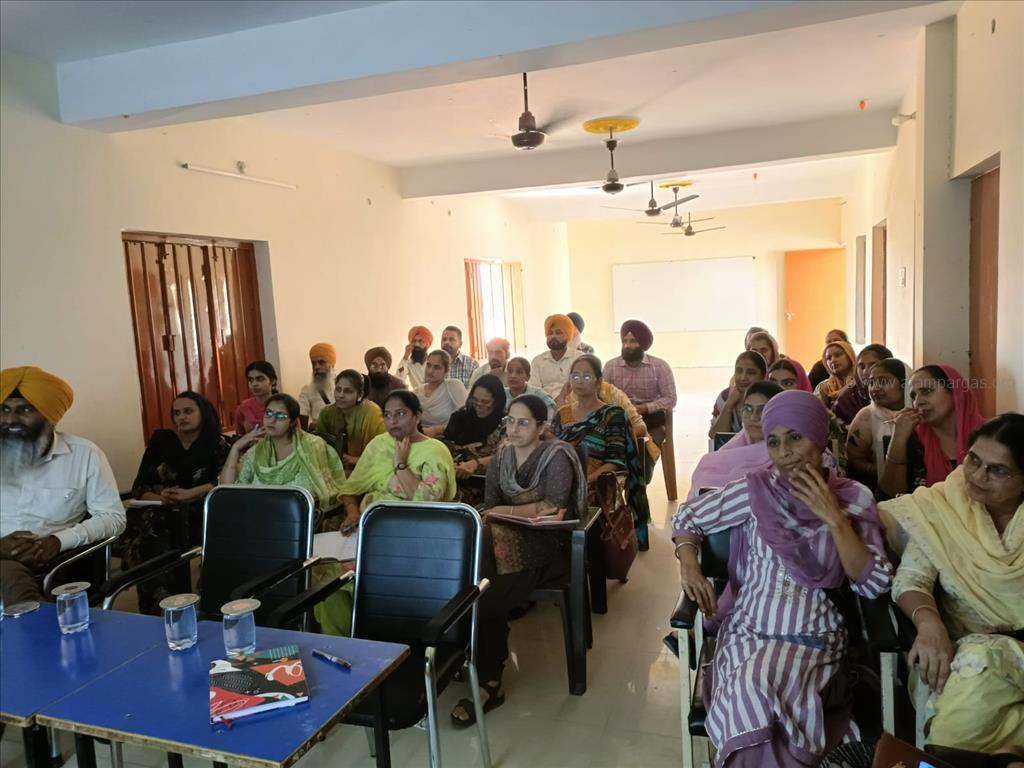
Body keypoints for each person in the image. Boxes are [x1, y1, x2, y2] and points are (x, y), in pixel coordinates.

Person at [672, 390, 892, 766]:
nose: (784, 452)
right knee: (751, 687)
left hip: (815, 642)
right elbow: (688, 516)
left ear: (818, 438)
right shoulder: (756, 490)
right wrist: (689, 565)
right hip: (748, 634)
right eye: (773, 442)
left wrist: (834, 519)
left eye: (795, 437)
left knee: (756, 691)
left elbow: (874, 583)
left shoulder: (854, 498)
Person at [884, 414, 1023, 753]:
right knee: (975, 668)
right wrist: (929, 624)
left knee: (978, 673)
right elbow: (912, 577)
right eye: (973, 460)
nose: (977, 475)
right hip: (954, 651)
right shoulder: (944, 507)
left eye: (998, 470)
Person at [449, 394, 587, 728]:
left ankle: (489, 680)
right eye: (510, 421)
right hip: (502, 540)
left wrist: (506, 511)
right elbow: (491, 503)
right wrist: (510, 512)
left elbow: (553, 507)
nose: (514, 429)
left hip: (547, 545)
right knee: (471, 564)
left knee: (484, 587)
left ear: (542, 426)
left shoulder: (556, 455)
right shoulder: (501, 456)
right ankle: (464, 653)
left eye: (523, 422)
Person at [0, 367, 125, 605]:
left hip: (54, 563)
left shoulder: (84, 455)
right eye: (4, 409)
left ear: (49, 415)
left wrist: (58, 541)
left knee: (11, 582)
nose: (10, 420)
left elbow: (113, 517)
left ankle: (35, 624)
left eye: (25, 410)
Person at [122, 391, 229, 613]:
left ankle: (163, 604)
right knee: (155, 528)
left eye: (188, 411)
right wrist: (161, 498)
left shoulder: (218, 444)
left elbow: (223, 484)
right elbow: (140, 486)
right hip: (157, 509)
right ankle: (166, 603)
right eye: (177, 413)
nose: (182, 417)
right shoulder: (162, 441)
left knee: (153, 533)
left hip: (198, 513)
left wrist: (191, 493)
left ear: (203, 412)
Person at [554, 355, 650, 549]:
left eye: (587, 377)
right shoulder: (562, 413)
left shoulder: (612, 414)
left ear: (598, 382)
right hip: (562, 479)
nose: (580, 381)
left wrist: (583, 481)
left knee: (564, 502)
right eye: (575, 376)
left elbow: (615, 462)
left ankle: (574, 552)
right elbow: (552, 452)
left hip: (596, 483)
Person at [338, 390, 457, 526]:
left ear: (417, 416)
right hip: (369, 523)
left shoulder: (434, 451)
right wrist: (353, 514)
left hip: (412, 527)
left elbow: (429, 503)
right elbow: (350, 490)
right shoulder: (379, 444)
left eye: (400, 414)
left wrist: (401, 465)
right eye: (387, 415)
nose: (393, 421)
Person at [220, 393, 346, 509]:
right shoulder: (257, 451)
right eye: (268, 413)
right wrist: (236, 447)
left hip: (299, 516)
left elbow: (317, 491)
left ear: (292, 422)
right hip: (258, 514)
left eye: (280, 416)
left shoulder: (311, 446)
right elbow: (227, 490)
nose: (272, 420)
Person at [878, 365, 985, 500]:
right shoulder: (910, 438)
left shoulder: (989, 436)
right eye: (913, 396)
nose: (918, 402)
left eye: (926, 391)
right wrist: (898, 438)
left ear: (954, 392)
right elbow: (889, 496)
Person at [687, 381, 783, 499]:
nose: (753, 417)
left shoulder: (785, 457)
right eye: (748, 409)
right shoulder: (716, 459)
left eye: (762, 410)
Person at [845, 359, 909, 490]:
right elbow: (854, 459)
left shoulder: (919, 413)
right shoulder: (866, 416)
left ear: (905, 383)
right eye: (871, 383)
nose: (875, 388)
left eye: (884, 381)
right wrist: (881, 471)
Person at [315, 369, 386, 472]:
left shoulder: (373, 413)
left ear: (360, 395)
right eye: (338, 389)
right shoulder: (326, 413)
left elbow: (386, 449)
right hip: (333, 469)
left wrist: (357, 460)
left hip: (367, 470)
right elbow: (318, 445)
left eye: (348, 391)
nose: (341, 395)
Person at [443, 374, 507, 481]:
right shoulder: (460, 416)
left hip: (486, 482)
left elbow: (507, 457)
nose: (478, 405)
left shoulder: (506, 424)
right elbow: (445, 446)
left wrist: (475, 464)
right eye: (475, 400)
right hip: (452, 476)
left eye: (485, 402)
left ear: (497, 402)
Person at [709, 351, 767, 438]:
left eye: (751, 373)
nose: (743, 378)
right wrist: (728, 406)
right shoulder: (724, 397)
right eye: (739, 371)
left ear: (763, 376)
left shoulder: (770, 398)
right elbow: (715, 436)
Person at [833, 344, 893, 426]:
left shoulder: (900, 391)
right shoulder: (847, 398)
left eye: (873, 365)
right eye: (861, 367)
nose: (865, 372)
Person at [414, 350, 468, 436]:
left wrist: (437, 430)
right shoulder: (416, 392)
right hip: (422, 437)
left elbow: (467, 418)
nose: (430, 371)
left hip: (448, 437)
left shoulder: (453, 386)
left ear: (446, 371)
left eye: (437, 367)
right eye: (428, 365)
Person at [530, 314, 578, 398]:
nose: (553, 336)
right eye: (550, 333)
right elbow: (534, 390)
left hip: (573, 403)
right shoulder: (538, 361)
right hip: (544, 403)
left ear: (568, 336)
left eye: (558, 333)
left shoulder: (578, 358)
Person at [297, 343, 336, 428]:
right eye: (313, 363)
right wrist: (318, 425)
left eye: (321, 362)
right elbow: (302, 416)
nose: (316, 367)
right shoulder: (306, 390)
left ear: (332, 364)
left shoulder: (343, 387)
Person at [234, 360, 278, 435]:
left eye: (260, 379)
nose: (254, 384)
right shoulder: (243, 409)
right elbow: (239, 437)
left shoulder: (284, 405)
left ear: (273, 380)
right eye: (250, 380)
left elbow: (296, 435)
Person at [814, 340, 857, 410]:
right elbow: (817, 412)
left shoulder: (861, 383)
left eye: (838, 355)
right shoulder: (823, 387)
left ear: (850, 356)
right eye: (828, 358)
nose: (833, 360)